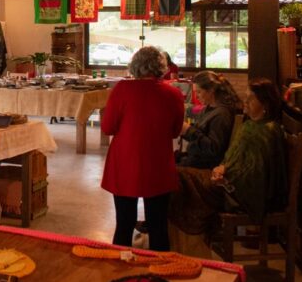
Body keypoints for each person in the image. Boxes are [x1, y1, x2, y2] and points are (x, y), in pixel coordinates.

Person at [170, 79, 288, 237]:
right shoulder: (249, 125)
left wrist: (226, 178)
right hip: (227, 177)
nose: (245, 101)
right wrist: (223, 167)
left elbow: (257, 172)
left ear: (265, 104)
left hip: (238, 191)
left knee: (177, 177)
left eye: (251, 98)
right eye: (246, 97)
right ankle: (178, 234)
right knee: (175, 175)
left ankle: (184, 234)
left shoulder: (267, 132)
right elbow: (232, 156)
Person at [101, 46, 184, 251]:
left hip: (125, 162)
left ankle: (118, 271)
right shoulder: (174, 93)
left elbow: (108, 127)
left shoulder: (122, 89)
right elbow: (175, 131)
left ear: (135, 66)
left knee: (124, 225)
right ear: (161, 67)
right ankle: (160, 274)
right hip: (158, 163)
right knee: (158, 227)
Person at [177, 71, 241, 169]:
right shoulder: (209, 108)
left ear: (211, 90)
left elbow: (213, 149)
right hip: (194, 159)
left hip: (204, 165)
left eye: (199, 92)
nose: (197, 96)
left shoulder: (222, 114)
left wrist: (189, 131)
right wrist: (184, 131)